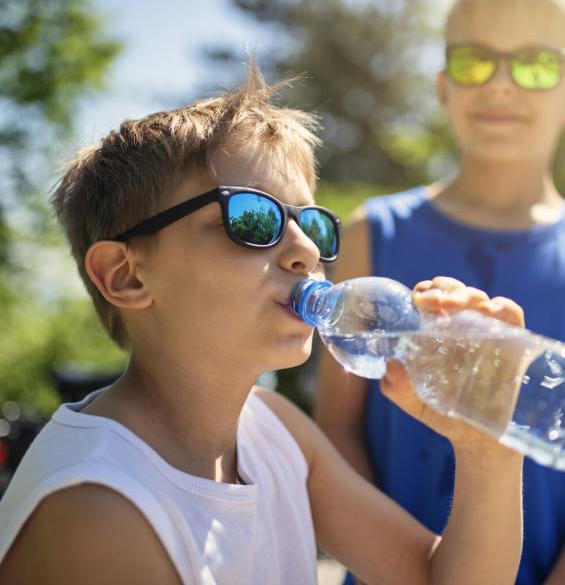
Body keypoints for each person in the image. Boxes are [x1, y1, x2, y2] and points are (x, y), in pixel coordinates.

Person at [0, 65, 525, 584]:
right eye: (254, 219)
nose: (305, 250)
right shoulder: (101, 511)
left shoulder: (275, 430)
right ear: (126, 276)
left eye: (312, 223)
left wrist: (488, 451)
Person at [315, 0, 565, 584]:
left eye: (535, 64)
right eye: (476, 60)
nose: (501, 83)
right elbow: (337, 428)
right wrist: (397, 568)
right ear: (444, 86)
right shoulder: (376, 233)